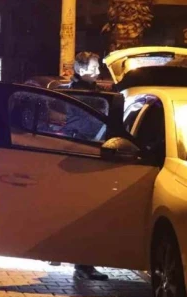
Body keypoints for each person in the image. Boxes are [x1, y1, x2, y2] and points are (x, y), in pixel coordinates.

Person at [57, 51, 110, 281]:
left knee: (88, 212)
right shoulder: (71, 93)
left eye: (98, 67)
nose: (98, 71)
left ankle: (83, 262)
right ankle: (76, 260)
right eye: (93, 67)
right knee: (76, 210)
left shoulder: (100, 93)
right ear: (80, 69)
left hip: (94, 154)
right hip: (76, 154)